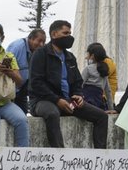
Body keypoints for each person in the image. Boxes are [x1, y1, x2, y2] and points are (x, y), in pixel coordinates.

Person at [29, 20, 109, 149]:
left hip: (67, 102)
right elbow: (36, 83)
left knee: (102, 116)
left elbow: (78, 81)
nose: (69, 37)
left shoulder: (70, 57)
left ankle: (99, 156)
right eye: (65, 33)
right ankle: (60, 155)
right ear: (54, 34)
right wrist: (57, 100)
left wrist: (78, 95)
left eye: (70, 33)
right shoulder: (40, 54)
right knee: (52, 114)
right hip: (42, 101)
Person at [6, 28, 46, 113]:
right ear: (31, 38)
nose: (41, 44)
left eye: (43, 42)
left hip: (22, 90)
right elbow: (5, 66)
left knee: (23, 114)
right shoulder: (17, 47)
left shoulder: (37, 51)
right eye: (39, 41)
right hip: (9, 91)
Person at [80, 43, 112, 111]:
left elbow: (80, 84)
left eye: (88, 53)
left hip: (87, 100)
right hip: (99, 101)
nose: (86, 56)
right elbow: (108, 91)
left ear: (92, 56)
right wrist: (111, 108)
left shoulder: (88, 68)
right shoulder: (105, 70)